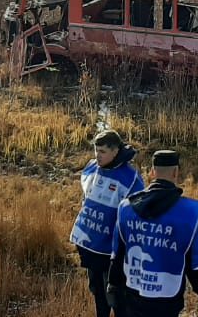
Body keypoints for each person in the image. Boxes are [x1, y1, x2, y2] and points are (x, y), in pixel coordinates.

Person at [107, 150, 198, 317]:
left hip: (132, 292)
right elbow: (194, 261)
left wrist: (112, 283)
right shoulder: (190, 213)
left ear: (152, 172)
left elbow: (117, 253)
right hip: (167, 298)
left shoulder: (126, 207)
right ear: (176, 172)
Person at [71, 130, 145, 317]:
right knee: (97, 291)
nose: (97, 155)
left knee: (115, 296)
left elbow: (137, 217)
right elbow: (85, 200)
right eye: (96, 150)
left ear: (115, 151)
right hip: (90, 245)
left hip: (112, 251)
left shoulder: (131, 179)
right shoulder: (91, 168)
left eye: (102, 151)